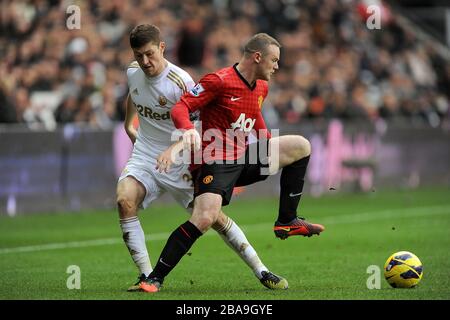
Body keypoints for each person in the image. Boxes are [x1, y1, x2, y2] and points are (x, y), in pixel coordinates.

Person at [140, 33, 325, 293]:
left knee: (301, 146)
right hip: (214, 160)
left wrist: (267, 144)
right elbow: (180, 108)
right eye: (274, 60)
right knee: (204, 218)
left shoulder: (261, 86)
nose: (277, 66)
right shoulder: (219, 81)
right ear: (257, 57)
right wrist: (187, 130)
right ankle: (154, 278)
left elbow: (254, 113)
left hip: (243, 156)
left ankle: (287, 220)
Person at [116, 24, 288, 292]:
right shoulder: (133, 71)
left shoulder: (181, 81)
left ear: (162, 47)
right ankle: (147, 275)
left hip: (181, 158)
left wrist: (174, 151)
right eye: (139, 56)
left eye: (150, 54)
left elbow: (195, 128)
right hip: (147, 153)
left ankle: (261, 269)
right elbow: (134, 93)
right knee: (125, 200)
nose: (145, 61)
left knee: (212, 218)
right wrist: (129, 124)